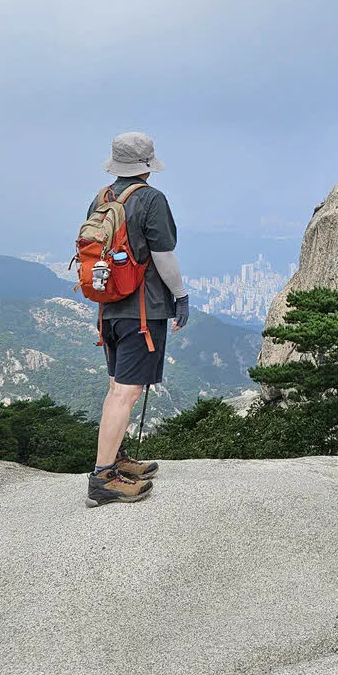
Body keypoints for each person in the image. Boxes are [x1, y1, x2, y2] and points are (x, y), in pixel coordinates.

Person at [86, 132, 191, 507]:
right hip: (142, 311)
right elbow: (163, 257)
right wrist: (180, 296)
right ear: (147, 165)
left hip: (109, 309)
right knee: (125, 393)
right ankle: (102, 479)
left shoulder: (101, 199)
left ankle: (115, 461)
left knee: (117, 386)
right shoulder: (150, 199)